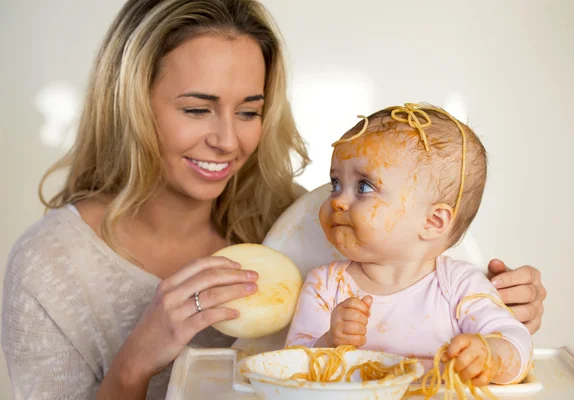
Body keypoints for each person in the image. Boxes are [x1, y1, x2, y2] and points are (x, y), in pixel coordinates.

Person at [1, 1, 545, 399]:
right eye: (197, 109)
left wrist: (505, 312)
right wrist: (135, 362)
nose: (227, 139)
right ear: (131, 106)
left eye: (248, 111)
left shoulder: (302, 224)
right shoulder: (49, 268)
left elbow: (425, 285)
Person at [286, 104, 532, 386]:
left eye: (364, 186)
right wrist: (329, 341)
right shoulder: (326, 286)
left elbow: (517, 343)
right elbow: (289, 367)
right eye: (335, 184)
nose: (337, 201)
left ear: (433, 222)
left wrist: (489, 357)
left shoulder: (459, 287)